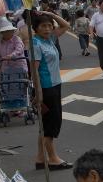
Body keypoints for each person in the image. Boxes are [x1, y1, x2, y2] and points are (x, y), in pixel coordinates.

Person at [23, 10, 72, 170]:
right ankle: (53, 158)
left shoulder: (49, 39)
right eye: (43, 26)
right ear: (36, 28)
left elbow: (66, 25)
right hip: (46, 88)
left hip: (55, 85)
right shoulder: (36, 44)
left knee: (45, 125)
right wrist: (39, 93)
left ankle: (40, 158)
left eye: (49, 26)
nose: (47, 29)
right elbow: (34, 70)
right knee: (51, 124)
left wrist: (49, 13)